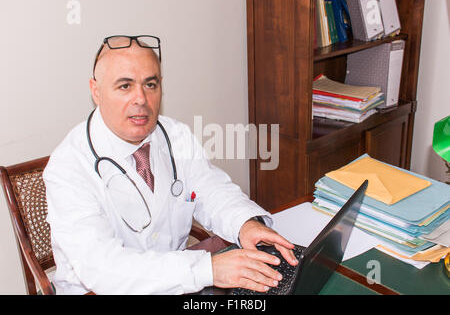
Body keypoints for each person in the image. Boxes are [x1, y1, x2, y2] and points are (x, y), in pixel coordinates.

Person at [43, 35, 297, 295]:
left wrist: (245, 223)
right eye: (124, 86)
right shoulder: (68, 168)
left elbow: (210, 189)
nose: (141, 99)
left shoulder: (175, 134)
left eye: (150, 84)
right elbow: (102, 267)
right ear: (96, 91)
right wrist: (208, 270)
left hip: (176, 283)